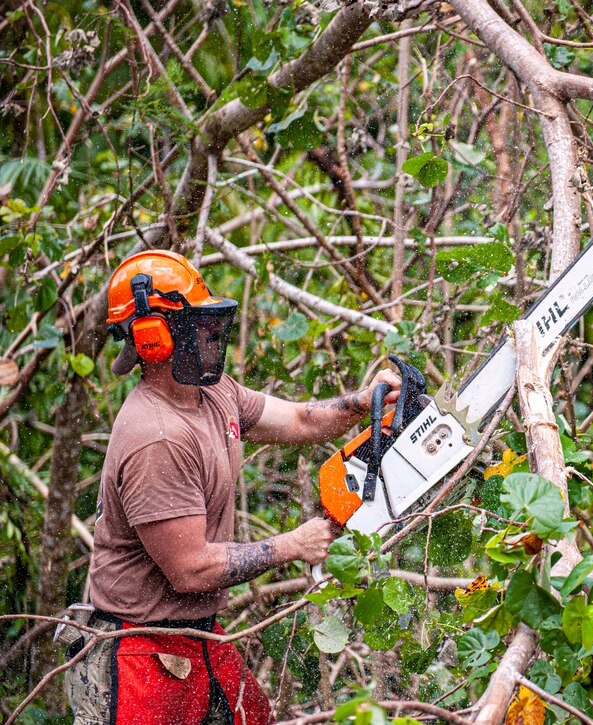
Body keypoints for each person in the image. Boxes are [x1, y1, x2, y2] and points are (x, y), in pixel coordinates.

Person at [64, 250, 400, 724]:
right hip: (137, 648)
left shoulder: (212, 391)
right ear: (155, 338)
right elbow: (191, 569)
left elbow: (299, 421)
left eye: (211, 322)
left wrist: (361, 403)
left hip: (199, 637)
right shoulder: (155, 437)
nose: (211, 334)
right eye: (198, 324)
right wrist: (292, 544)